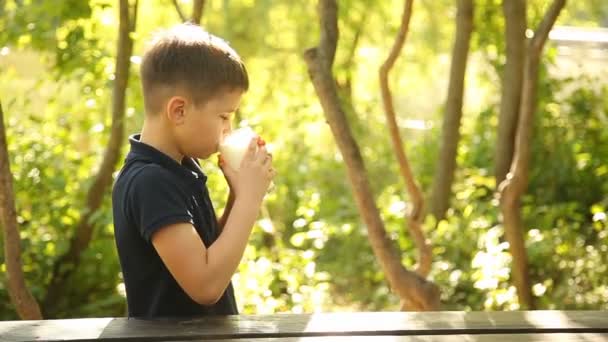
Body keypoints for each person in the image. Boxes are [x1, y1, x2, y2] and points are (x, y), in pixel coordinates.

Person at [112, 23, 275, 318]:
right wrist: (249, 201)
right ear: (179, 111)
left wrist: (239, 195)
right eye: (223, 116)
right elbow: (206, 285)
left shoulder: (182, 168)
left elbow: (211, 254)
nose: (228, 130)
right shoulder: (149, 181)